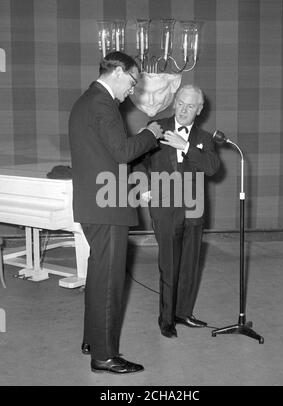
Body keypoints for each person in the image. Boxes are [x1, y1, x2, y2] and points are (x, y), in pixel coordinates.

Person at [68, 51, 163, 374]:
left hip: (95, 204)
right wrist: (151, 134)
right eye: (133, 82)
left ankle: (92, 341)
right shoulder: (101, 103)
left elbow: (108, 154)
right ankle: (104, 356)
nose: (131, 91)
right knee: (108, 283)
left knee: (98, 277)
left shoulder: (88, 101)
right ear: (119, 72)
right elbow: (121, 153)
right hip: (106, 207)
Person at [142, 85, 220, 338]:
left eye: (191, 106)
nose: (184, 110)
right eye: (181, 103)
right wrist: (143, 188)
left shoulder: (204, 138)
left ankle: (183, 312)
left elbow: (211, 168)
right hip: (164, 208)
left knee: (189, 265)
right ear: (175, 102)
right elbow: (136, 161)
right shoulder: (157, 127)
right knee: (169, 265)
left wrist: (185, 146)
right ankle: (166, 319)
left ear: (199, 110)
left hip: (193, 211)